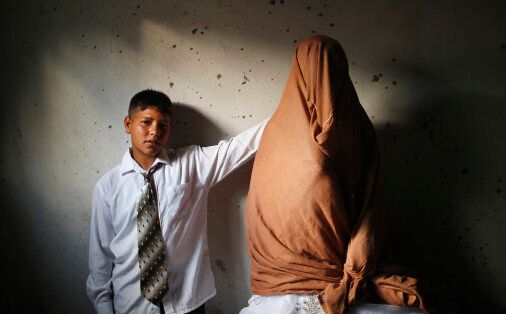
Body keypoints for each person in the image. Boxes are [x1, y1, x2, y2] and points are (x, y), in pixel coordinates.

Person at [241, 35, 427, 314]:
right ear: (301, 74)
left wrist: (354, 271)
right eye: (316, 71)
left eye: (333, 71)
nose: (325, 82)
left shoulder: (357, 131)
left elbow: (371, 206)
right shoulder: (278, 134)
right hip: (283, 281)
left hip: (347, 265)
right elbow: (266, 210)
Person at [86, 90, 267, 314]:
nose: (154, 132)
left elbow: (241, 146)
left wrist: (291, 108)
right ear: (128, 124)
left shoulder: (192, 164)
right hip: (131, 305)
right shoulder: (107, 187)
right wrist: (104, 308)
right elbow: (100, 259)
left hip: (187, 303)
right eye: (146, 122)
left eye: (163, 125)